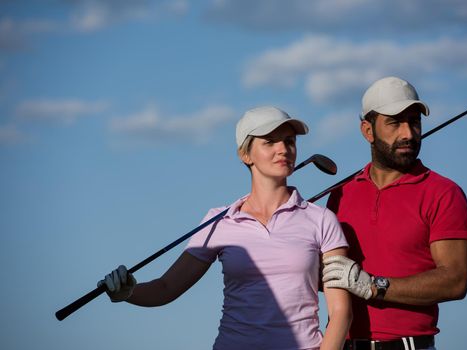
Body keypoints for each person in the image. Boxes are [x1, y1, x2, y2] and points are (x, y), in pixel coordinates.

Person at [99, 106, 352, 350]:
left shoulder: (321, 219)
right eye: (269, 142)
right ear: (245, 154)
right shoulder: (219, 221)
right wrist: (128, 292)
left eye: (289, 141)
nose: (283, 149)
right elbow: (167, 288)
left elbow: (341, 312)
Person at [322, 77, 467, 350]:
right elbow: (331, 277)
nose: (408, 133)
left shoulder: (443, 193)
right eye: (394, 122)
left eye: (414, 121)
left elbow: (455, 280)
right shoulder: (341, 194)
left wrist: (372, 285)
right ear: (368, 131)